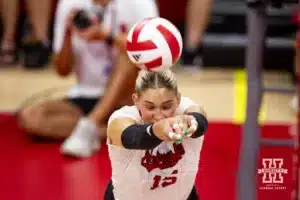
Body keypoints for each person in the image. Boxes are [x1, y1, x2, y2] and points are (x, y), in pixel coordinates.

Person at [18, 0, 159, 157]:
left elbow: (152, 52)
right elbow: (62, 71)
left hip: (127, 95)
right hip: (85, 94)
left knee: (129, 52)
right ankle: (113, 130)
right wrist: (67, 34)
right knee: (31, 118)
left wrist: (107, 36)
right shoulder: (69, 4)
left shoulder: (141, 3)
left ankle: (89, 125)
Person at [104, 69, 208, 200]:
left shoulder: (185, 109)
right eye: (150, 107)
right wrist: (156, 130)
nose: (159, 116)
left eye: (166, 107)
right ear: (136, 99)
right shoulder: (122, 118)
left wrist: (191, 124)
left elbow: (200, 120)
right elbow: (132, 137)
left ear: (178, 99)